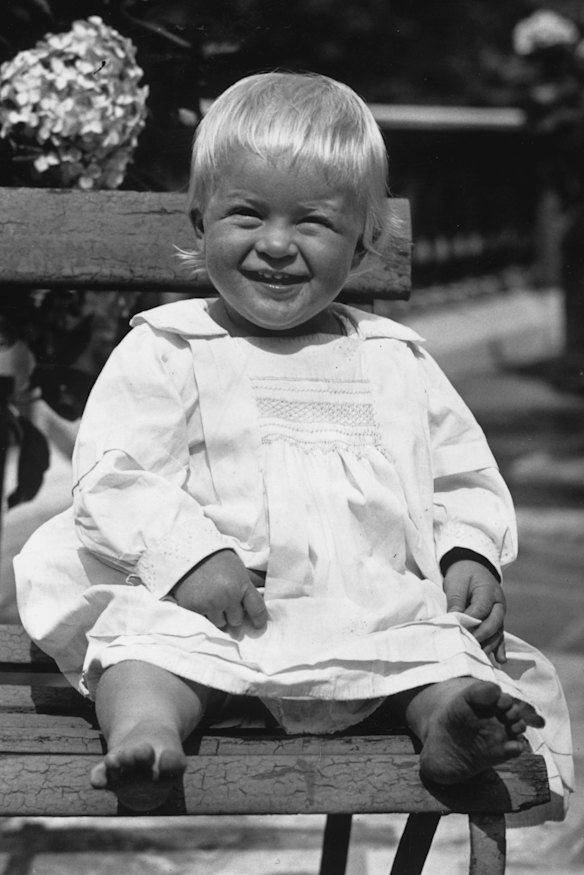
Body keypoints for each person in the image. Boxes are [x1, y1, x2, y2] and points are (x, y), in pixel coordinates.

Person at [15, 72, 573, 819]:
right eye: (246, 214)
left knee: (438, 653)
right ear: (200, 216)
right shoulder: (171, 347)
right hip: (212, 615)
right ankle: (146, 732)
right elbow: (115, 474)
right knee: (142, 649)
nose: (275, 245)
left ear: (364, 238)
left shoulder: (394, 358)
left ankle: (447, 722)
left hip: (369, 610)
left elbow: (460, 474)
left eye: (312, 223)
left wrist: (465, 550)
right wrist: (187, 556)